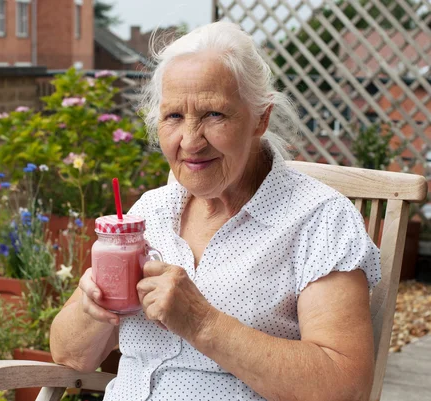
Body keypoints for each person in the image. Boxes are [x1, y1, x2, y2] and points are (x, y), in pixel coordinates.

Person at [50, 20, 380, 401]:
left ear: (261, 118)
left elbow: (344, 386)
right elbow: (69, 355)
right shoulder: (148, 214)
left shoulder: (319, 220)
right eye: (174, 116)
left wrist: (202, 322)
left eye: (214, 115)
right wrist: (92, 310)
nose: (190, 140)